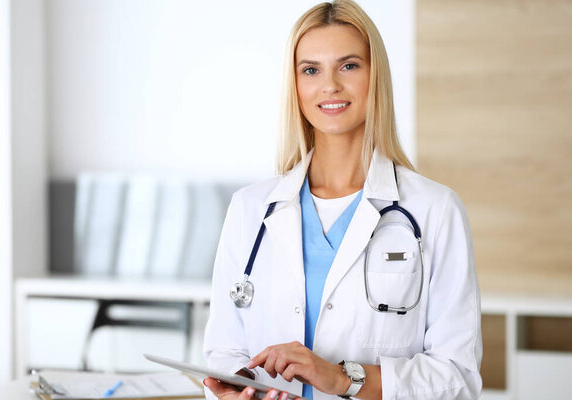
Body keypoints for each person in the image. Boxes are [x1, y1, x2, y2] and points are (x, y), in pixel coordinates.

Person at [202, 1, 482, 399]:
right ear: (295, 85)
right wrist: (235, 391)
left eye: (349, 66)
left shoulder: (435, 210)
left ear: (375, 76)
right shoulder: (250, 209)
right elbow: (223, 352)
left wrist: (342, 378)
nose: (329, 85)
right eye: (311, 70)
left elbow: (457, 378)